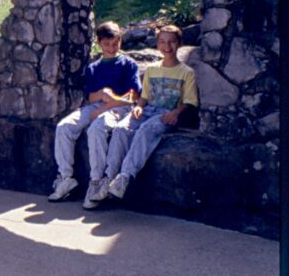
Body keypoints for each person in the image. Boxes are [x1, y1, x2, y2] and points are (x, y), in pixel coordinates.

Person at [49, 21, 142, 209]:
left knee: (97, 127)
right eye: (107, 44)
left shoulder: (128, 64)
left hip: (120, 107)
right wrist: (100, 96)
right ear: (99, 43)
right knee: (64, 126)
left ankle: (96, 181)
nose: (111, 48)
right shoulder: (94, 67)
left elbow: (133, 96)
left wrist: (108, 103)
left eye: (115, 43)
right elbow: (91, 97)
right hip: (97, 105)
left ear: (120, 41)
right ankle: (66, 178)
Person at [100, 24, 198, 200]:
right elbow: (144, 97)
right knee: (121, 128)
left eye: (171, 42)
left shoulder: (186, 72)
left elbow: (190, 102)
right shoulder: (152, 69)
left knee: (146, 130)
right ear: (157, 44)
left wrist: (176, 113)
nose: (167, 47)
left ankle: (125, 177)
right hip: (147, 110)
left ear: (180, 43)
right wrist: (138, 106)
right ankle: (109, 177)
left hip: (166, 115)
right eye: (162, 42)